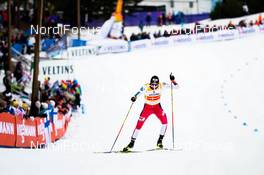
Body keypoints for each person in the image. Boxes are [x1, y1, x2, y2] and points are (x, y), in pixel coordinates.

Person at [123, 74, 179, 152]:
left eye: (155, 85)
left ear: (158, 83)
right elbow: (138, 92)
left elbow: (176, 87)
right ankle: (132, 143)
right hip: (147, 108)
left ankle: (159, 141)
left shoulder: (161, 85)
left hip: (157, 107)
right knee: (139, 125)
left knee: (165, 122)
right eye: (152, 84)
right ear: (150, 83)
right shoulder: (146, 86)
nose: (154, 86)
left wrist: (173, 80)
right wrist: (134, 97)